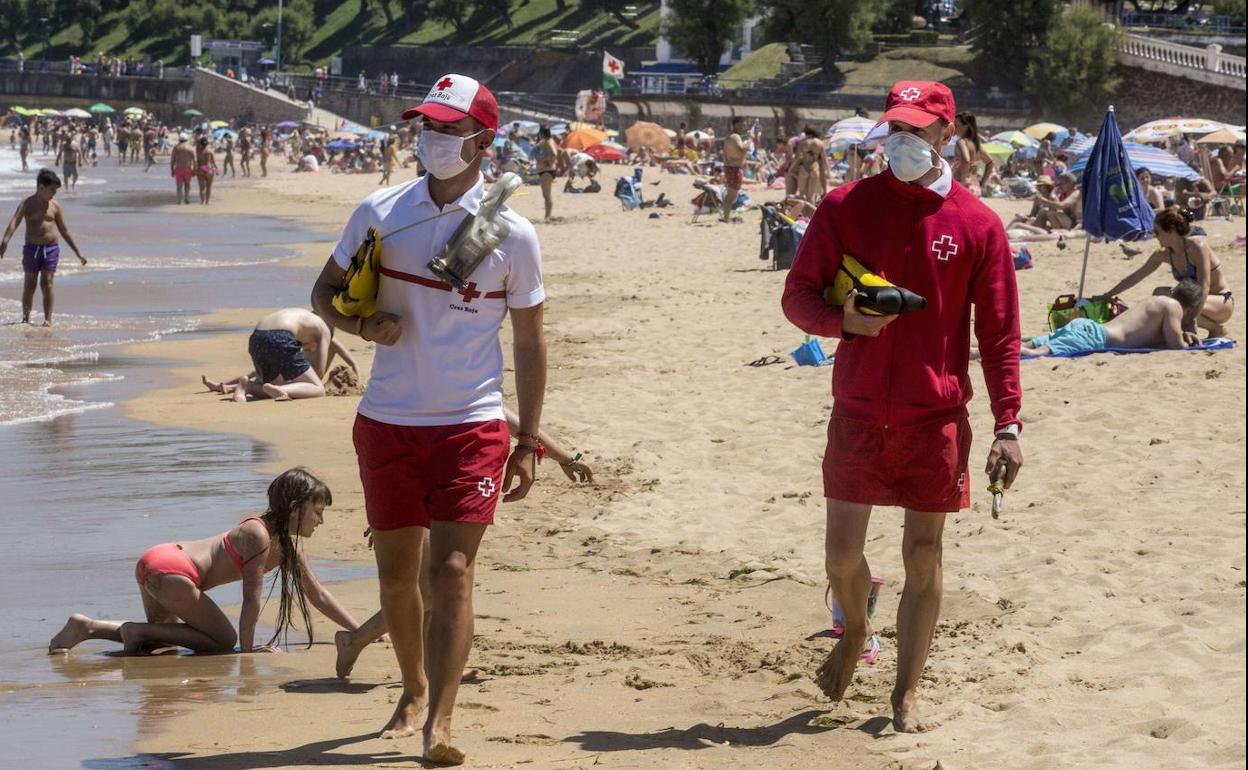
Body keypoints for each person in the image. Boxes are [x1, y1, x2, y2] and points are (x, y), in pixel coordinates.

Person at [311, 74, 546, 765]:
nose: (432, 140)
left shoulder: (512, 231)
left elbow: (531, 342)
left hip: (470, 424)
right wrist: (358, 324)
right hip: (387, 420)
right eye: (427, 127)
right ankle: (412, 688)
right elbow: (323, 293)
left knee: (450, 574)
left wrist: (528, 439)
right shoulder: (379, 210)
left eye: (447, 129)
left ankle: (439, 722)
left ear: (482, 139)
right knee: (394, 579)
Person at [780, 81, 1022, 733]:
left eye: (919, 131)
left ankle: (904, 693)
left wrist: (1008, 423)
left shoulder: (978, 224)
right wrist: (843, 323)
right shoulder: (844, 206)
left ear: (949, 135)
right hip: (858, 409)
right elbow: (797, 297)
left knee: (925, 553)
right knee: (839, 557)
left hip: (935, 417)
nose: (904, 142)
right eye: (897, 129)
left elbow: (999, 334)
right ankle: (856, 627)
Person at [333, 410, 592, 678]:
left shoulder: (465, 390)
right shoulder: (421, 389)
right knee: (432, 590)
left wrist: (565, 458)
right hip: (414, 489)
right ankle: (355, 640)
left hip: (447, 492)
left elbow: (513, 422)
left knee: (434, 586)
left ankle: (430, 667)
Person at [47, 468, 363, 655]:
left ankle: (87, 627)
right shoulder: (259, 534)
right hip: (174, 570)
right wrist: (248, 651)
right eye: (318, 512)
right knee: (225, 641)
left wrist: (362, 631)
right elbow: (250, 601)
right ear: (295, 508)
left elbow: (317, 594)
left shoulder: (289, 548)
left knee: (160, 639)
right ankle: (131, 631)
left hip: (158, 562)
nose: (320, 521)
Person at [1094, 206, 1233, 338]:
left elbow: (1204, 286)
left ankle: (1215, 328)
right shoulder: (1163, 254)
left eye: (1157, 232)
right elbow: (1136, 277)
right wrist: (1106, 296)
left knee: (1176, 299)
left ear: (1170, 230)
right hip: (1194, 302)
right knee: (1159, 293)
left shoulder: (1197, 247)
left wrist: (1191, 320)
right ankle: (1212, 328)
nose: (1155, 237)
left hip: (1221, 303)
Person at [201, 307, 355, 402]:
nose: (308, 348)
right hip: (281, 337)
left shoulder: (301, 315)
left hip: (256, 338)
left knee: (274, 385)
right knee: (318, 389)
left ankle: (247, 386)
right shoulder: (325, 329)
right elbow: (319, 373)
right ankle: (283, 391)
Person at [1021, 280, 1203, 356]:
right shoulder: (1173, 306)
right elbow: (1176, 346)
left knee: (1026, 346)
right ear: (1190, 307)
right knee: (1035, 355)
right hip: (1096, 337)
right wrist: (1186, 340)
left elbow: (1150, 335)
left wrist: (1182, 335)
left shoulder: (1156, 300)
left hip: (1087, 327)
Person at [1, 169, 88, 327]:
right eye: (52, 190)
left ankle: (48, 319)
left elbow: (64, 230)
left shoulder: (55, 206)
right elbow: (14, 222)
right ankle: (26, 318)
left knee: (47, 282)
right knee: (30, 284)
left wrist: (78, 252)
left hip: (51, 249)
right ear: (41, 187)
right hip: (31, 249)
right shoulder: (27, 204)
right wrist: (5, 241)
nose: (54, 194)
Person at [952, 112, 993, 196]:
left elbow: (966, 160)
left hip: (963, 185)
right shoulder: (976, 144)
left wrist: (962, 182)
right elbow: (990, 163)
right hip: (975, 187)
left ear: (966, 126)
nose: (953, 127)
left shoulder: (961, 141)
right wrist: (982, 183)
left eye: (956, 125)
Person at [788, 127, 830, 204]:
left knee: (801, 194)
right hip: (814, 167)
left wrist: (792, 168)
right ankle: (811, 214)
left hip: (804, 168)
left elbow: (798, 157)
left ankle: (802, 213)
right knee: (811, 196)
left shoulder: (803, 143)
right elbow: (824, 159)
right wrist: (828, 171)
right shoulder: (820, 143)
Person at [721, 116, 747, 223]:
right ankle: (726, 218)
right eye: (743, 124)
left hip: (732, 167)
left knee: (732, 195)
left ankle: (726, 217)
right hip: (734, 168)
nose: (745, 127)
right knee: (731, 196)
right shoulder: (736, 137)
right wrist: (749, 142)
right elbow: (741, 149)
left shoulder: (732, 137)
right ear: (736, 124)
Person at [534, 126, 559, 221]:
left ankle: (547, 216)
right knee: (546, 195)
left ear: (542, 133)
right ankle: (547, 216)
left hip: (547, 171)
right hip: (544, 171)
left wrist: (547, 161)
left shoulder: (549, 141)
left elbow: (554, 153)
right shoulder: (547, 141)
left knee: (547, 195)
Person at [169, 134, 195, 205]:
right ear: (186, 140)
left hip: (179, 168)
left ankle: (179, 200)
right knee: (187, 184)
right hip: (188, 168)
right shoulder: (190, 148)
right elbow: (194, 160)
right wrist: (194, 170)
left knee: (179, 186)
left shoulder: (176, 148)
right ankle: (186, 198)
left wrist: (172, 169)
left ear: (180, 139)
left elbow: (172, 160)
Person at [195, 136, 217, 205]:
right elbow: (214, 162)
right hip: (209, 168)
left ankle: (202, 202)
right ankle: (207, 202)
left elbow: (197, 161)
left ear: (201, 144)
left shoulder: (198, 151)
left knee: (202, 188)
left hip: (201, 168)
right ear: (207, 144)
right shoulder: (210, 151)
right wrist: (216, 170)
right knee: (209, 186)